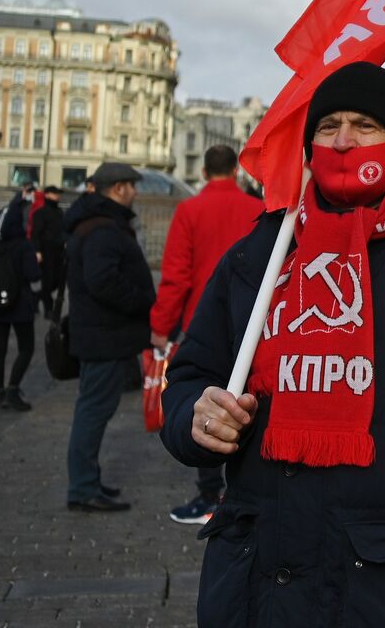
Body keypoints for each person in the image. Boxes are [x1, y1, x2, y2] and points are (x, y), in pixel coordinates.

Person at [161, 62, 385, 627]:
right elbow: (189, 375)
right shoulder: (262, 251)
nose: (344, 140)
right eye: (328, 126)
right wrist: (195, 417)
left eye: (364, 125)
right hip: (256, 582)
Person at [150, 144, 263, 525]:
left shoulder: (189, 210)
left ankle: (208, 492)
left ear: (202, 172)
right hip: (253, 324)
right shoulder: (256, 209)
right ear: (235, 170)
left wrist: (160, 328)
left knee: (208, 404)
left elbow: (176, 275)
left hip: (203, 322)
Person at [64, 162, 156, 512]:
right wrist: (141, 301)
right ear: (118, 188)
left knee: (93, 409)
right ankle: (83, 487)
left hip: (100, 333)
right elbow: (102, 280)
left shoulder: (97, 222)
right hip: (103, 335)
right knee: (93, 411)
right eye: (131, 186)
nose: (135, 193)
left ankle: (87, 480)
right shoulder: (104, 229)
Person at [0, 196, 42, 410]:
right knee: (26, 347)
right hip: (20, 303)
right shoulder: (24, 246)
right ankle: (13, 389)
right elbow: (33, 275)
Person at [30, 186, 66, 320]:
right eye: (55, 193)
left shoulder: (60, 212)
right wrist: (37, 251)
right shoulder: (40, 212)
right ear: (47, 195)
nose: (58, 196)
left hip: (59, 250)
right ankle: (48, 309)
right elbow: (36, 233)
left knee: (58, 280)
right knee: (48, 280)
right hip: (46, 250)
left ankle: (36, 296)